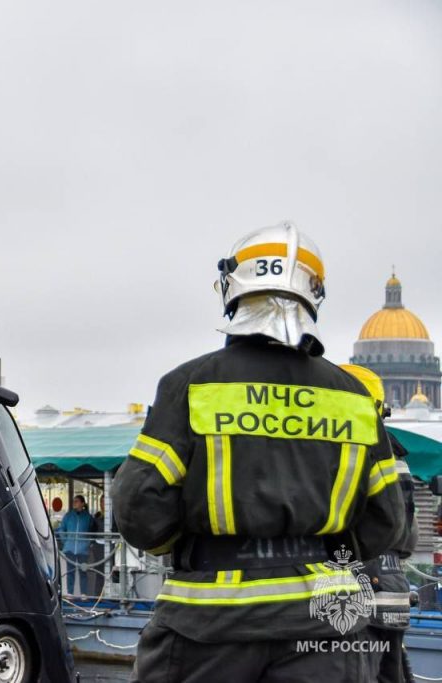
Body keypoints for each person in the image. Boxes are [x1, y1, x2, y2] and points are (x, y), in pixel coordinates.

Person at [113, 222, 406, 682]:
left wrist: (194, 544)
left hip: (207, 626)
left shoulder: (190, 385)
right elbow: (386, 521)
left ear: (233, 288)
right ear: (314, 294)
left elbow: (138, 509)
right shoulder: (354, 396)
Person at [341, 365, 418, 683]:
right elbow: (407, 537)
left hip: (356, 591)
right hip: (393, 592)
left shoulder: (347, 450)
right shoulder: (394, 454)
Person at [58, 494, 96, 597]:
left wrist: (89, 543)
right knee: (70, 572)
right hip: (70, 548)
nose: (74, 503)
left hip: (83, 549)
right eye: (74, 501)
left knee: (83, 571)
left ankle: (84, 594)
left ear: (82, 504)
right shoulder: (68, 516)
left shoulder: (88, 517)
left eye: (77, 501)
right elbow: (61, 529)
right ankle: (70, 593)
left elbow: (93, 531)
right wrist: (65, 541)